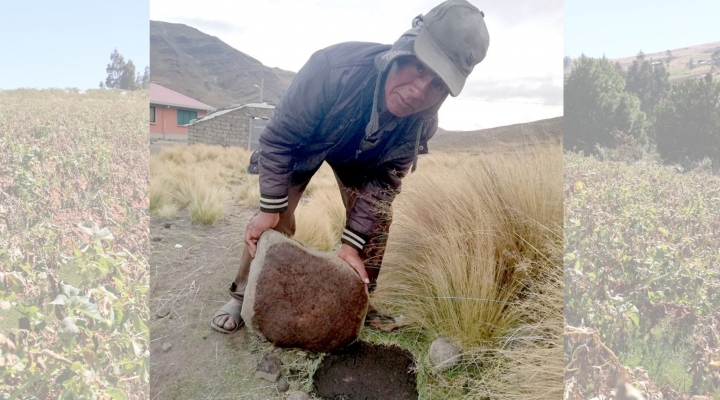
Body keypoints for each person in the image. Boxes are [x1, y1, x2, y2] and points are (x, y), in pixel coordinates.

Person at [212, 0, 490, 333]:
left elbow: (384, 185)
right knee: (275, 216)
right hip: (304, 146)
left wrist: (351, 243)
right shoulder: (331, 68)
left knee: (377, 225)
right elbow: (278, 139)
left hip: (365, 165)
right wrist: (271, 207)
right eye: (419, 66)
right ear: (404, 47)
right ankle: (242, 296)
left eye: (438, 86)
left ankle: (360, 300)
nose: (420, 91)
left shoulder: (421, 124)